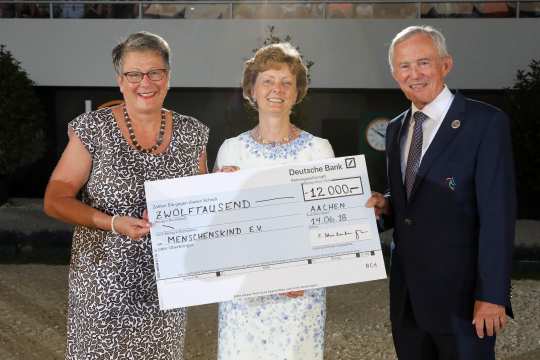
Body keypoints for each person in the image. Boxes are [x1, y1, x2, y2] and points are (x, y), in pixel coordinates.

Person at [43, 31, 208, 359]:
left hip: (166, 291)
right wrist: (113, 223)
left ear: (168, 77)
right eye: (134, 74)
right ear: (121, 81)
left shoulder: (193, 133)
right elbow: (55, 199)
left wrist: (223, 186)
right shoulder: (94, 129)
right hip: (101, 290)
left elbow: (201, 205)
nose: (145, 82)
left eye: (155, 73)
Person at [366, 25, 516, 360]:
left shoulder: (485, 123)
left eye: (423, 63)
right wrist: (385, 205)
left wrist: (492, 295)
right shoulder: (395, 128)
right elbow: (411, 200)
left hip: (463, 302)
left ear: (445, 65)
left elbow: (498, 216)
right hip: (408, 300)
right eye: (404, 66)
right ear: (394, 73)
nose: (414, 74)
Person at [215, 42, 334, 360]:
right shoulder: (231, 151)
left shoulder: (318, 150)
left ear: (298, 92)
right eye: (267, 80)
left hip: (299, 291)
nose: (276, 90)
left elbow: (326, 225)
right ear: (251, 90)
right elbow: (220, 231)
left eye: (286, 82)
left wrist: (302, 275)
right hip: (243, 295)